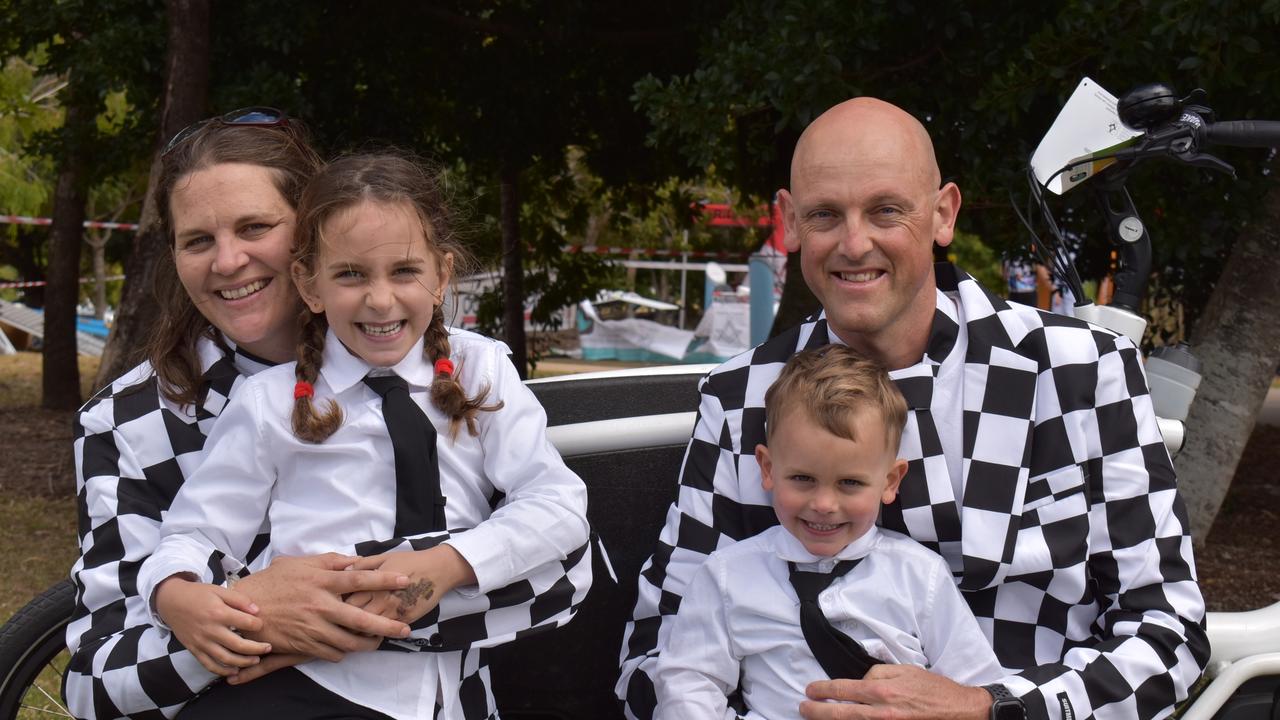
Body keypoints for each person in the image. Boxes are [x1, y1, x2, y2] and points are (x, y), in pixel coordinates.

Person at [619, 97, 1209, 720]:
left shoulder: (1081, 371)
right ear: (790, 223)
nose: (854, 242)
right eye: (825, 215)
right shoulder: (743, 397)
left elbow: (1169, 636)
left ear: (942, 214)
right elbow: (655, 652)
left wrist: (992, 709)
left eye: (885, 211)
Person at [67, 114, 590, 719]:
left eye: (255, 227)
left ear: (314, 231)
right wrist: (256, 618)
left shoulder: (465, 375)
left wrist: (339, 608)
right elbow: (96, 684)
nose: (229, 260)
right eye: (198, 240)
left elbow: (563, 576)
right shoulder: (128, 423)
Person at [653, 345, 1004, 719]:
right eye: (803, 478)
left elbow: (972, 686)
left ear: (889, 481)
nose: (823, 504)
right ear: (768, 469)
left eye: (849, 483)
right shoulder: (727, 576)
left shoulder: (921, 576)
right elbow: (688, 679)